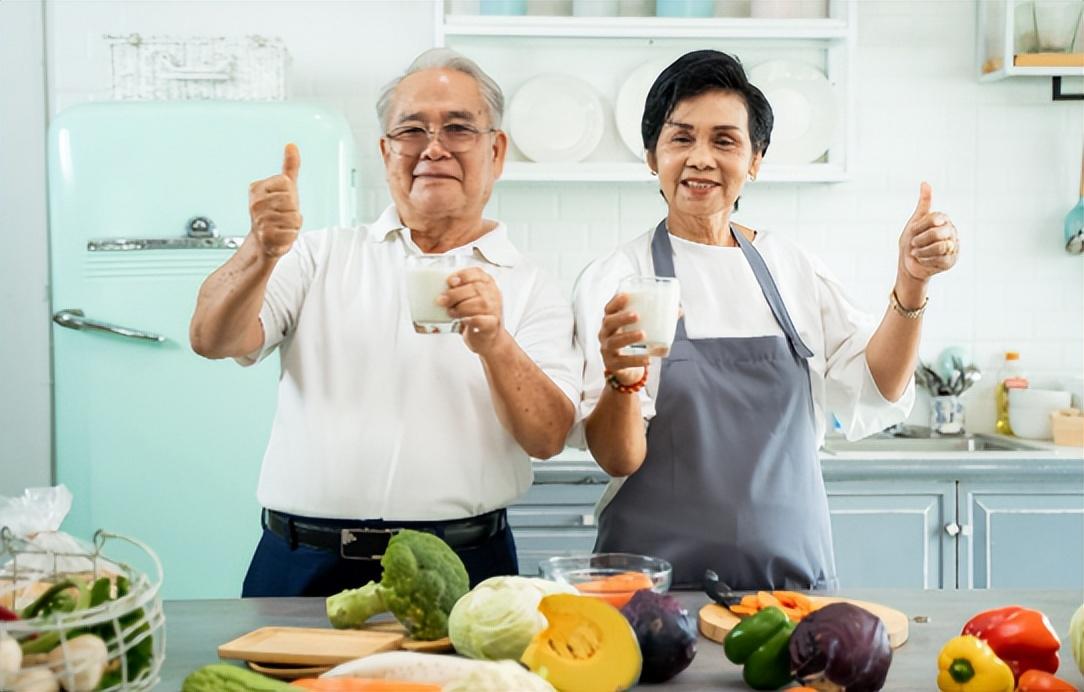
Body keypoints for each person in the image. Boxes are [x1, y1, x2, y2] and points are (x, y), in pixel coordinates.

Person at [189, 48, 579, 597]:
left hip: (464, 564)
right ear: (385, 150)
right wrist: (260, 249)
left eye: (458, 128)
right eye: (412, 130)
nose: (434, 147)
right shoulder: (317, 254)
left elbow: (548, 437)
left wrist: (495, 342)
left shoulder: (532, 283)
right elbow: (212, 338)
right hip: (301, 561)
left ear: (496, 150)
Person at [572, 50, 959, 590]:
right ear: (652, 156)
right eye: (681, 138)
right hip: (651, 589)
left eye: (724, 141)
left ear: (755, 160)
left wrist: (912, 281)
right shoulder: (618, 278)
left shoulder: (790, 266)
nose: (701, 159)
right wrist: (621, 376)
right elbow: (618, 458)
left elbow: (879, 385)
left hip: (790, 585)